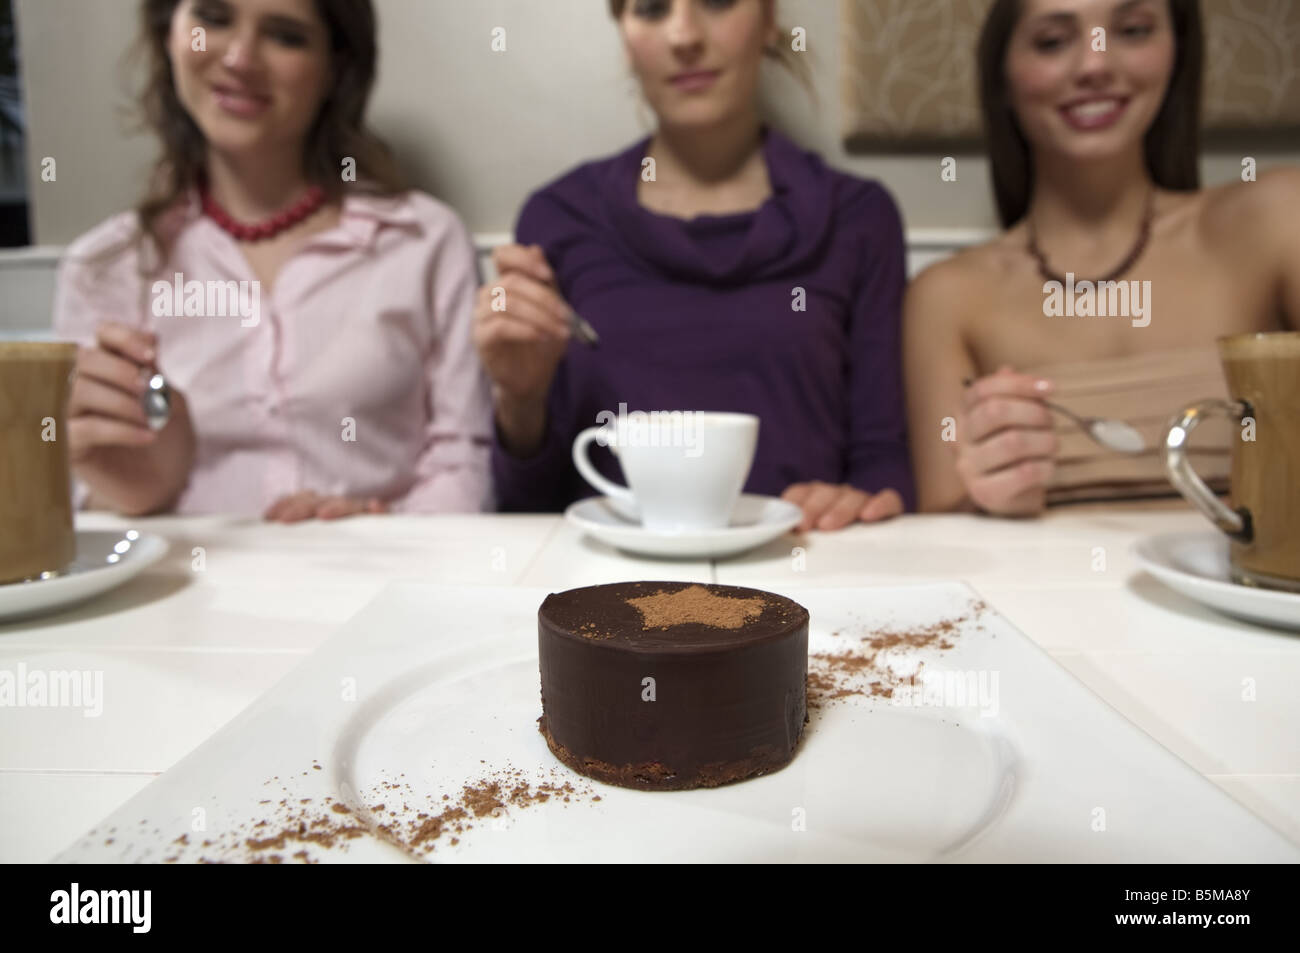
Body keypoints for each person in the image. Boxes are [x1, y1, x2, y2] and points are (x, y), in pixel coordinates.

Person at [475, 0, 914, 532]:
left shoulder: (859, 219)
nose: (683, 35)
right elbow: (528, 513)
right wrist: (520, 398)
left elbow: (883, 464)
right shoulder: (559, 219)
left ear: (770, 20)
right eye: (652, 9)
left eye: (718, 1)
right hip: (607, 589)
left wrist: (857, 503)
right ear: (623, 32)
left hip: (804, 572)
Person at [54, 0, 492, 520]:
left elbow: (463, 460)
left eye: (286, 36)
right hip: (184, 590)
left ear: (337, 68)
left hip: (385, 583)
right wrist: (144, 483)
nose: (240, 58)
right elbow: (80, 506)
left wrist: (387, 531)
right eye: (213, 19)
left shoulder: (426, 240)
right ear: (167, 33)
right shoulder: (106, 265)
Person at [904, 0, 1300, 516]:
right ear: (1002, 74)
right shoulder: (947, 295)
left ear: (1177, 53)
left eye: (1133, 31)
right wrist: (988, 496)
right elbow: (942, 539)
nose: (1095, 64)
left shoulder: (1275, 217)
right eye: (1052, 41)